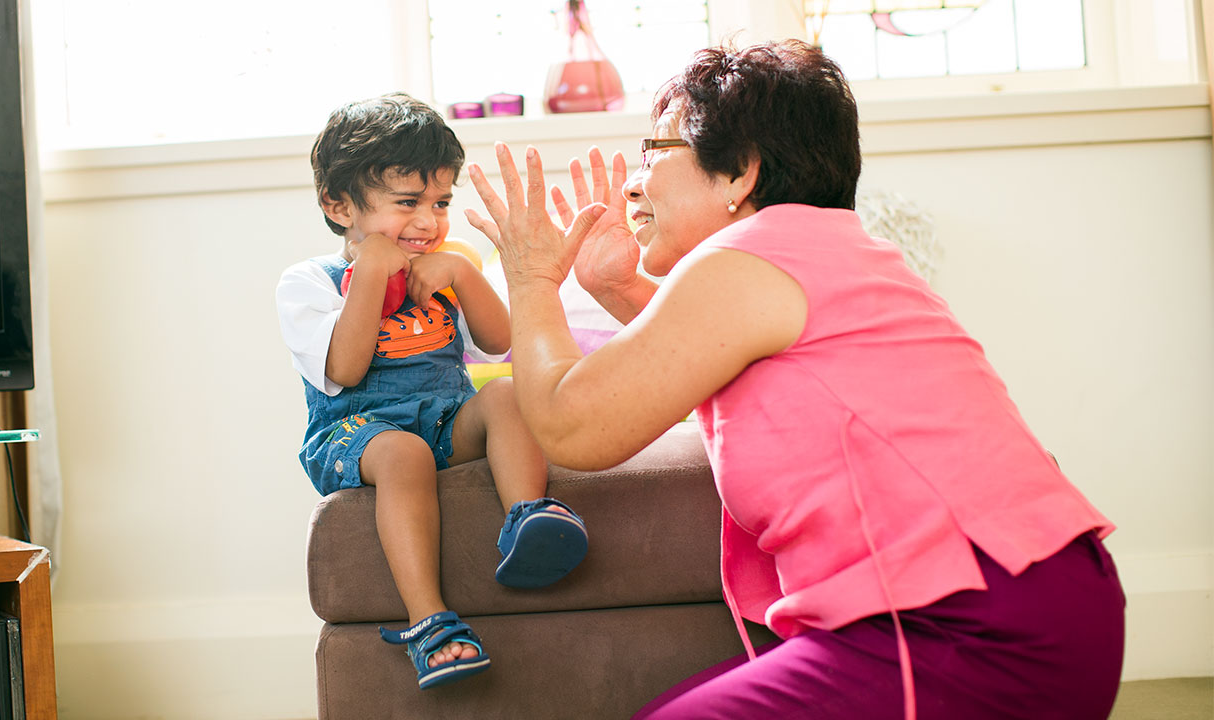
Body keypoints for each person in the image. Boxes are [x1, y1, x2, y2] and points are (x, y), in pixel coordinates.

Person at [465, 41, 1124, 719]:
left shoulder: (745, 261)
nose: (634, 183)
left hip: (971, 621)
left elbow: (574, 424)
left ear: (740, 173)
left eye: (653, 152)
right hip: (1034, 602)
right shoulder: (823, 250)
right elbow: (709, 359)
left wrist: (533, 277)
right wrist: (611, 282)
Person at [275, 93, 588, 691]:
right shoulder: (308, 283)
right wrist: (371, 271)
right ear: (339, 205)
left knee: (504, 395)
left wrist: (465, 273)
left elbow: (499, 344)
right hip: (356, 434)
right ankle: (430, 623)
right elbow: (343, 367)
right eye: (407, 203)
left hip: (444, 418)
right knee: (403, 452)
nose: (427, 221)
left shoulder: (447, 265)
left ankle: (530, 517)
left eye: (440, 201)